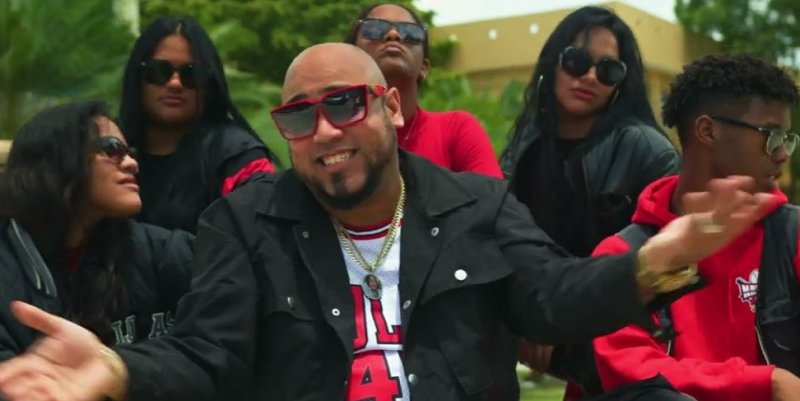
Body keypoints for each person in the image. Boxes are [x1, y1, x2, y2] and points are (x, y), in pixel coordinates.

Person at [0, 44, 779, 401]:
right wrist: (119, 370)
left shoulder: (474, 206)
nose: (324, 131)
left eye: (344, 104)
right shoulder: (243, 222)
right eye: (299, 116)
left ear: (393, 108)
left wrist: (649, 263)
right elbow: (209, 352)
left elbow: (552, 296)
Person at [590, 54, 800, 401]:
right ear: (708, 131)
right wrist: (768, 382)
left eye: (786, 139)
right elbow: (631, 373)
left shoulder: (793, 234)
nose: (782, 154)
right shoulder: (622, 256)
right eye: (772, 136)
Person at [498, 6, 681, 395]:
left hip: (630, 348)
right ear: (553, 62)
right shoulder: (525, 146)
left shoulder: (647, 151)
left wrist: (565, 327)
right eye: (576, 61)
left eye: (609, 70)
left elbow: (668, 268)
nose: (590, 77)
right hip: (548, 329)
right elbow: (508, 245)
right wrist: (536, 320)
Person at [0, 101, 195, 360]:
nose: (132, 163)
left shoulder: (164, 252)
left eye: (130, 152)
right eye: (112, 149)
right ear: (58, 160)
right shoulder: (9, 268)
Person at [119, 16, 278, 234]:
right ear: (137, 77)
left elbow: (264, 239)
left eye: (191, 74)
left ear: (208, 84)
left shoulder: (238, 157)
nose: (175, 83)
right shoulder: (107, 151)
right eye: (159, 71)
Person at [345, 3, 503, 178]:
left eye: (411, 33)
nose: (394, 35)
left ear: (424, 67)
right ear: (351, 57)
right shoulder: (332, 133)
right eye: (375, 29)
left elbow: (492, 194)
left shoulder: (456, 130)